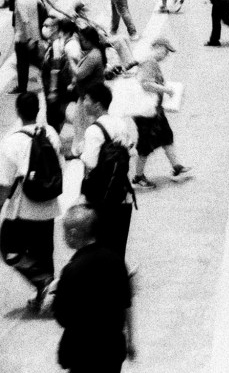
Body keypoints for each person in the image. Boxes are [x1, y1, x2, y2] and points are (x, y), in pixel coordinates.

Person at [0, 92, 63, 312]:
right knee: (44, 251)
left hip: (24, 206)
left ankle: (44, 282)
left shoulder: (12, 140)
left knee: (8, 248)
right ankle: (47, 295)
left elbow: (5, 182)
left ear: (18, 112)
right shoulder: (51, 133)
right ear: (38, 110)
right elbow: (59, 164)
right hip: (49, 203)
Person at [53, 205, 135, 373]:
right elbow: (126, 304)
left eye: (65, 232)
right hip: (112, 349)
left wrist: (55, 293)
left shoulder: (72, 270)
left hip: (82, 353)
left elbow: (63, 317)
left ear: (73, 234)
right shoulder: (116, 261)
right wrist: (130, 341)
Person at [77, 83, 137, 259]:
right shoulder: (120, 123)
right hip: (122, 192)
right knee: (117, 244)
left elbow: (90, 163)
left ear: (97, 104)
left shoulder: (93, 131)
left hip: (100, 196)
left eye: (86, 99)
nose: (83, 102)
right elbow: (130, 152)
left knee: (100, 244)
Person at [131, 37, 190, 189]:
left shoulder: (150, 61)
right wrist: (166, 90)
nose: (166, 55)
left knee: (166, 136)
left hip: (154, 110)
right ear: (157, 47)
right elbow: (146, 84)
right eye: (165, 50)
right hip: (146, 112)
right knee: (146, 143)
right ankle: (138, 176)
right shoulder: (149, 62)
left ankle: (176, 166)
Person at [13, 0, 49, 94]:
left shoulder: (20, 1)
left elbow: (25, 21)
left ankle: (22, 88)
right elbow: (43, 13)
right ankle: (22, 87)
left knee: (25, 63)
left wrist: (29, 39)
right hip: (36, 36)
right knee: (30, 62)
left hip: (24, 39)